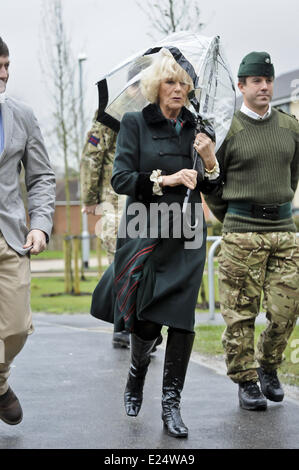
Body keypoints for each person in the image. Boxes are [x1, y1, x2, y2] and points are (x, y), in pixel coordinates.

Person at [91, 48, 221, 438]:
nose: (178, 89)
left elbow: (213, 186)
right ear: (155, 85)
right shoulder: (135, 123)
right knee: (146, 321)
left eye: (183, 83)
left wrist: (209, 160)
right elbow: (120, 179)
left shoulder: (198, 128)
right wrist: (165, 179)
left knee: (181, 321)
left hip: (185, 234)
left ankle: (171, 405)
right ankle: (136, 373)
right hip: (144, 228)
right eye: (170, 81)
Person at [205, 51, 299, 411]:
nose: (264, 87)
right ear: (241, 86)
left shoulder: (290, 127)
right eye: (256, 81)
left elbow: (292, 175)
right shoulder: (227, 130)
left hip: (284, 231)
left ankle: (268, 367)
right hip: (241, 232)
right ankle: (245, 381)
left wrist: (278, 206)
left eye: (268, 80)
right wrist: (236, 217)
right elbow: (213, 185)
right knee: (240, 313)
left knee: (286, 311)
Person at [0, 37, 56, 425]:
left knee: (17, 327)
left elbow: (41, 178)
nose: (4, 75)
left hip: (11, 237)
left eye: (7, 66)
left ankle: (0, 382)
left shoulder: (21, 116)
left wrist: (40, 225)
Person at [80, 114, 130, 349]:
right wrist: (89, 197)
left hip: (136, 197)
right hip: (116, 200)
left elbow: (92, 156)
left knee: (127, 262)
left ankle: (131, 328)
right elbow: (93, 155)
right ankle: (123, 328)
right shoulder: (111, 114)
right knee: (121, 261)